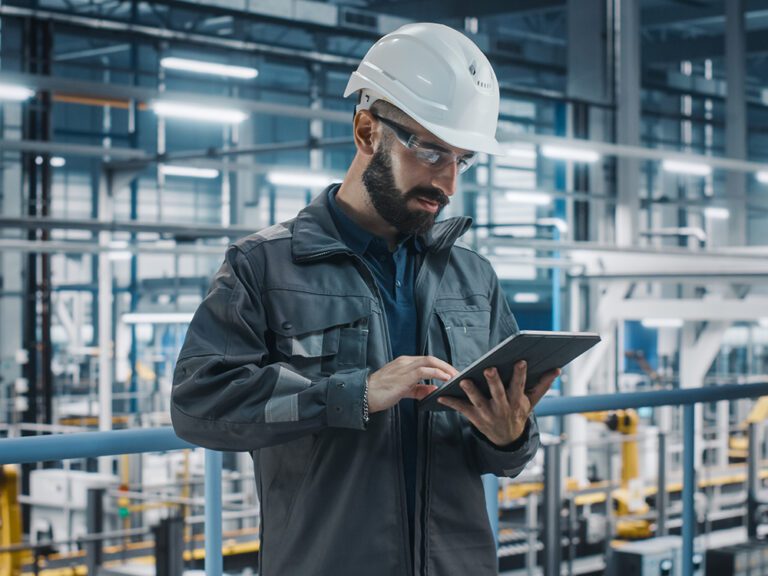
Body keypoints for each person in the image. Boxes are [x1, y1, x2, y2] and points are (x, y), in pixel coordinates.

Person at [171, 22, 559, 576]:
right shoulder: (264, 267)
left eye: (462, 160)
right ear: (366, 131)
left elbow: (502, 449)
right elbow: (199, 406)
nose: (447, 182)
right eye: (430, 151)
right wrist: (354, 394)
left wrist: (510, 436)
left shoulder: (472, 277)